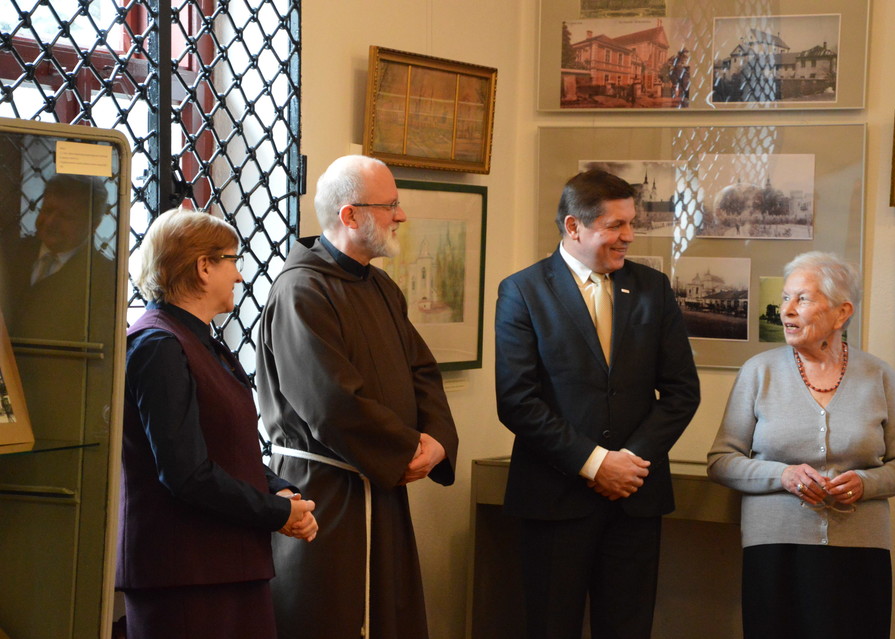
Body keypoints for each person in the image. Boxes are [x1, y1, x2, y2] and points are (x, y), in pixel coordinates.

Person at [257, 154, 459, 639]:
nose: (401, 215)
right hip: (326, 497)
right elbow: (330, 402)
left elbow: (422, 370)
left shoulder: (383, 287)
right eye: (390, 204)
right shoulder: (301, 291)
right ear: (350, 215)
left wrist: (436, 438)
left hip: (380, 483)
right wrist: (405, 450)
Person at [495, 169, 701, 639]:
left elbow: (681, 391)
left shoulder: (652, 288)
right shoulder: (523, 291)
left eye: (631, 223)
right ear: (574, 227)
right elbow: (517, 401)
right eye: (616, 225)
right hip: (554, 499)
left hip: (635, 498)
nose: (628, 236)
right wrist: (593, 464)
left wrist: (628, 463)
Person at [117, 208, 318, 639]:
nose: (241, 276)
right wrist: (276, 512)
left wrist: (277, 488)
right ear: (203, 267)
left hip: (225, 565)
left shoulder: (197, 338)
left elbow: (226, 444)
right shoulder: (158, 344)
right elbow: (185, 473)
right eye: (233, 260)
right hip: (184, 576)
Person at [707, 251, 895, 639]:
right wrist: (783, 475)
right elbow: (722, 461)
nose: (786, 311)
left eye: (802, 299)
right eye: (784, 298)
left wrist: (865, 482)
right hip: (774, 548)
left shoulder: (877, 374)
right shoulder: (759, 372)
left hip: (860, 549)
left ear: (842, 313)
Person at [2, 173, 112, 341]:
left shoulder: (104, 277)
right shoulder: (11, 255)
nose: (50, 221)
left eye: (65, 216)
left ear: (93, 225)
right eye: (47, 210)